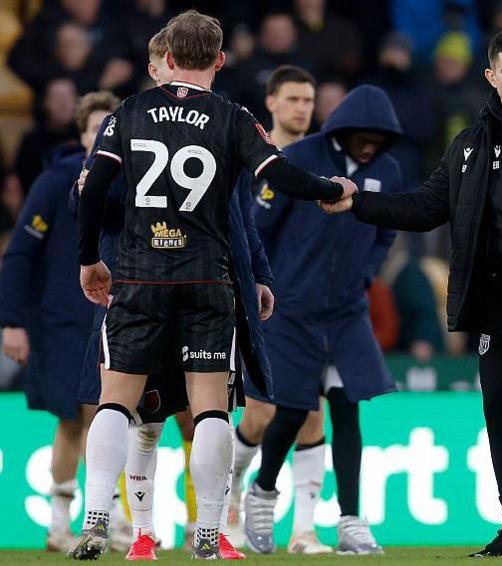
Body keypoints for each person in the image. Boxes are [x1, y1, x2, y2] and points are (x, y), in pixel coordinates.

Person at [321, 30, 502, 558]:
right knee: (500, 408)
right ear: (491, 76)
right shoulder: (472, 147)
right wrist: (358, 202)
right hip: (500, 302)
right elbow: (424, 207)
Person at [70, 10, 350, 560]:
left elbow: (94, 189)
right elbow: (278, 174)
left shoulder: (127, 112)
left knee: (115, 403)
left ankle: (97, 519)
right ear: (219, 61)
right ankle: (207, 531)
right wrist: (327, 187)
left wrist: (87, 261)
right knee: (210, 410)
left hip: (140, 278)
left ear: (167, 58)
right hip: (207, 280)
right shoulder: (232, 117)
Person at [242, 83, 402, 556]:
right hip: (292, 308)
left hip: (346, 310)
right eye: (363, 136)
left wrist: (367, 275)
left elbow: (386, 233)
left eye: (380, 137)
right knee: (291, 408)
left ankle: (351, 520)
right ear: (344, 130)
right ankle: (263, 491)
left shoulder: (387, 171)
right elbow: (258, 226)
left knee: (347, 405)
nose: (371, 144)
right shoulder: (300, 158)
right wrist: (263, 285)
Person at [225, 65, 338, 556]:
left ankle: (304, 531)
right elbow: (250, 233)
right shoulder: (254, 161)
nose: (301, 108)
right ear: (270, 103)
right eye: (292, 99)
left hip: (316, 308)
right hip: (266, 306)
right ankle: (229, 498)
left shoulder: (317, 164)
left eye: (308, 100)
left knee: (314, 414)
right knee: (261, 415)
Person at [0, 91, 117, 553]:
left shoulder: (140, 183)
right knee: (78, 419)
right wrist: (11, 321)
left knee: (119, 419)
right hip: (65, 319)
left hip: (121, 317)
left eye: (112, 129)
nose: (104, 137)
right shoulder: (57, 182)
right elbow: (21, 254)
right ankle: (61, 523)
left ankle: (112, 517)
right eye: (97, 129)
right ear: (83, 133)